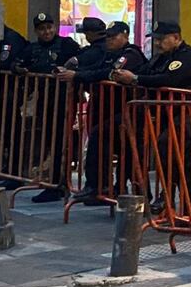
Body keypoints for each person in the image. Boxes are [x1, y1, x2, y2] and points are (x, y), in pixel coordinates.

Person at [112, 21, 191, 215]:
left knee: (180, 158)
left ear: (176, 38)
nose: (157, 44)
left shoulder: (189, 57)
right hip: (168, 114)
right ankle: (168, 199)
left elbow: (169, 79)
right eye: (156, 40)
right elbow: (147, 71)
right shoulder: (162, 58)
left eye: (161, 39)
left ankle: (187, 209)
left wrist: (134, 79)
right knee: (165, 153)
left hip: (189, 114)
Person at [70, 22, 148, 205]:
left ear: (125, 35)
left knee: (128, 155)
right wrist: (78, 73)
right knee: (110, 149)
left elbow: (109, 73)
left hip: (130, 112)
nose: (109, 40)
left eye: (113, 37)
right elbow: (96, 69)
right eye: (107, 37)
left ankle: (129, 193)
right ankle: (105, 188)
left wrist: (78, 76)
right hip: (111, 111)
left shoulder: (131, 54)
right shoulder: (108, 54)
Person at [14, 13, 81, 203]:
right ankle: (48, 180)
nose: (47, 32)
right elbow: (17, 63)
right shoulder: (32, 49)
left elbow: (81, 60)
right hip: (43, 101)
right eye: (42, 28)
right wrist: (19, 69)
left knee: (60, 141)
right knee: (47, 140)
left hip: (64, 100)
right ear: (36, 31)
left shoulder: (67, 45)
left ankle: (58, 184)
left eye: (49, 27)